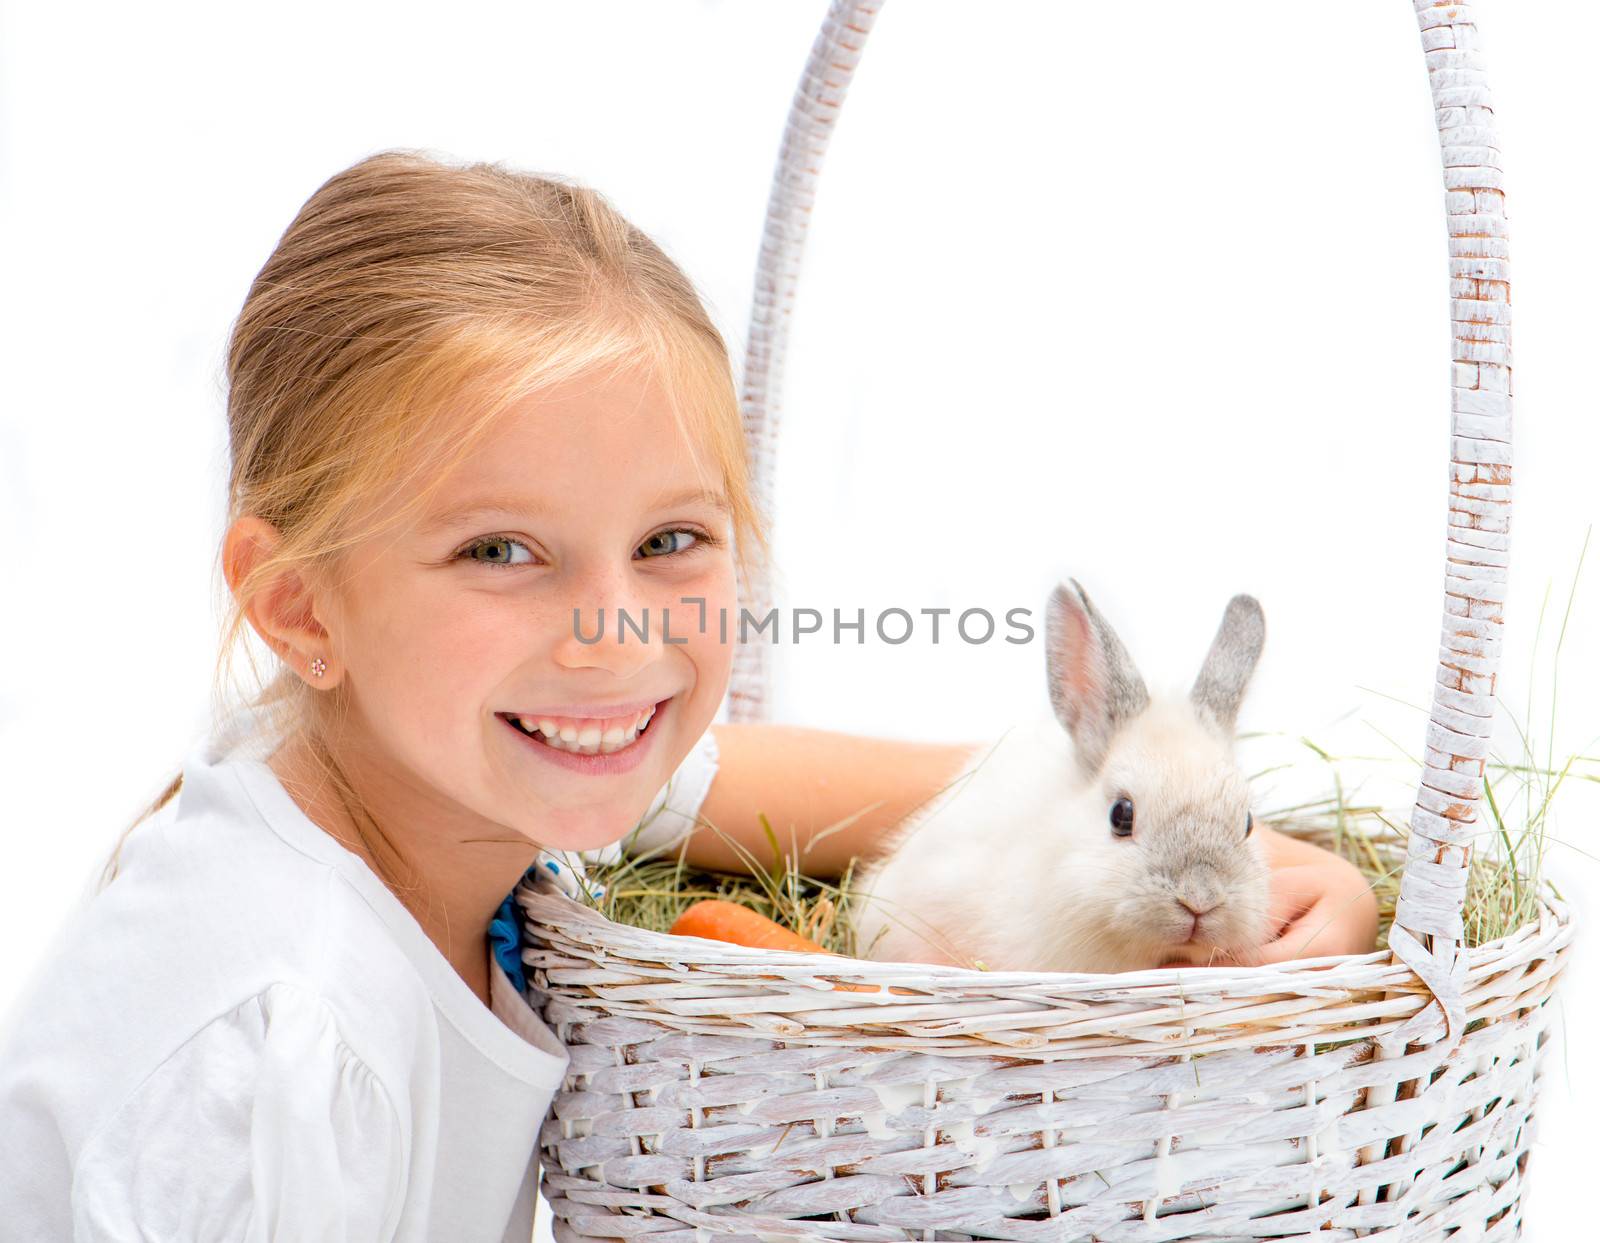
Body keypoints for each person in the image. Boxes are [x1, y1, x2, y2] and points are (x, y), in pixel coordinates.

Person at [0, 150, 1377, 1241]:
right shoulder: (285, 1047)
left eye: (670, 542)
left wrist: (1213, 835)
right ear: (301, 606)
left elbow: (836, 785)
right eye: (500, 551)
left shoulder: (454, 767)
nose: (615, 639)